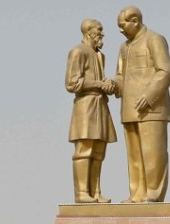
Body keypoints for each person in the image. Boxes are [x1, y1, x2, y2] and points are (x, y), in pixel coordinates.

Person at [114, 5, 170, 203]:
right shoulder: (124, 47)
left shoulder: (155, 39)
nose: (121, 30)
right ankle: (137, 194)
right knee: (135, 156)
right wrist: (111, 84)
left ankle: (153, 195)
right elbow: (121, 76)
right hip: (129, 109)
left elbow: (166, 71)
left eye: (123, 25)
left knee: (153, 154)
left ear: (135, 21)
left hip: (152, 108)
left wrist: (149, 96)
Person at [66, 18, 117, 203]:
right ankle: (81, 193)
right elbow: (72, 83)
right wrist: (99, 84)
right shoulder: (78, 52)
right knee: (84, 150)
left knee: (98, 151)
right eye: (99, 30)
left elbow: (101, 80)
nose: (102, 34)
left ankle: (95, 192)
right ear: (89, 32)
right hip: (85, 105)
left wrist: (109, 84)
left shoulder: (99, 55)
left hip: (100, 104)